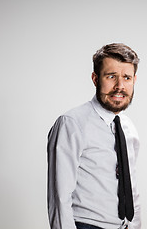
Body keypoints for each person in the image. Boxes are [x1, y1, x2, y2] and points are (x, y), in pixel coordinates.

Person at [47, 43, 141, 229]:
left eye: (126, 78)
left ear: (134, 80)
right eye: (111, 76)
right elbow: (60, 195)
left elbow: (131, 188)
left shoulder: (128, 127)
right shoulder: (72, 124)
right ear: (95, 79)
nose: (120, 86)